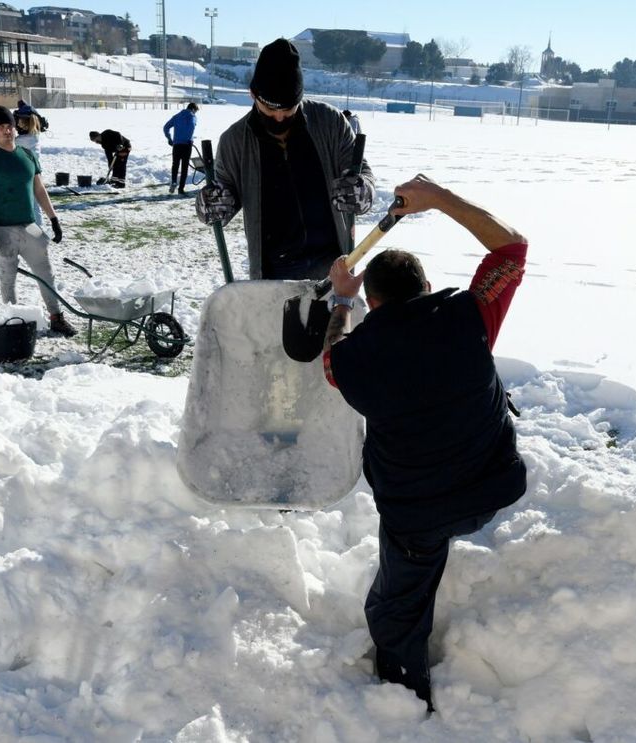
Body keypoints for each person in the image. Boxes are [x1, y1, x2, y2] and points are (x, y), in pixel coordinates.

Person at [322, 174, 529, 711]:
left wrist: (340, 303)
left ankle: (402, 700)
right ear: (428, 287)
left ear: (374, 300)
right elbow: (512, 247)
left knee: (398, 606)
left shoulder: (353, 358)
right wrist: (438, 200)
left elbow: (331, 356)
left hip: (420, 516)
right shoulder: (469, 313)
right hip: (495, 487)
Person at [196, 38, 374, 280]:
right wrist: (211, 205)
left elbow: (362, 172)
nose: (279, 118)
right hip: (275, 271)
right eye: (270, 110)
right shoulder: (235, 141)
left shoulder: (330, 122)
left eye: (288, 110)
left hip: (333, 264)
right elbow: (223, 194)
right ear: (253, 94)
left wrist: (362, 191)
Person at [0, 106, 75, 338]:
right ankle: (13, 321)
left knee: (46, 272)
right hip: (1, 229)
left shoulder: (27, 156)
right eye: (0, 127)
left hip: (30, 225)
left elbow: (39, 189)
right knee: (8, 277)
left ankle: (56, 318)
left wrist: (53, 218)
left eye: (9, 126)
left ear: (15, 128)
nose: (6, 130)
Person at [162, 102, 199, 194]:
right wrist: (189, 139)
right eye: (196, 111)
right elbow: (191, 128)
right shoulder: (193, 117)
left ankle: (174, 181)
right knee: (184, 166)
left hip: (177, 144)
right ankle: (181, 188)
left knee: (175, 164)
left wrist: (169, 138)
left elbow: (166, 127)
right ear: (193, 109)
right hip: (187, 144)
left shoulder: (176, 116)